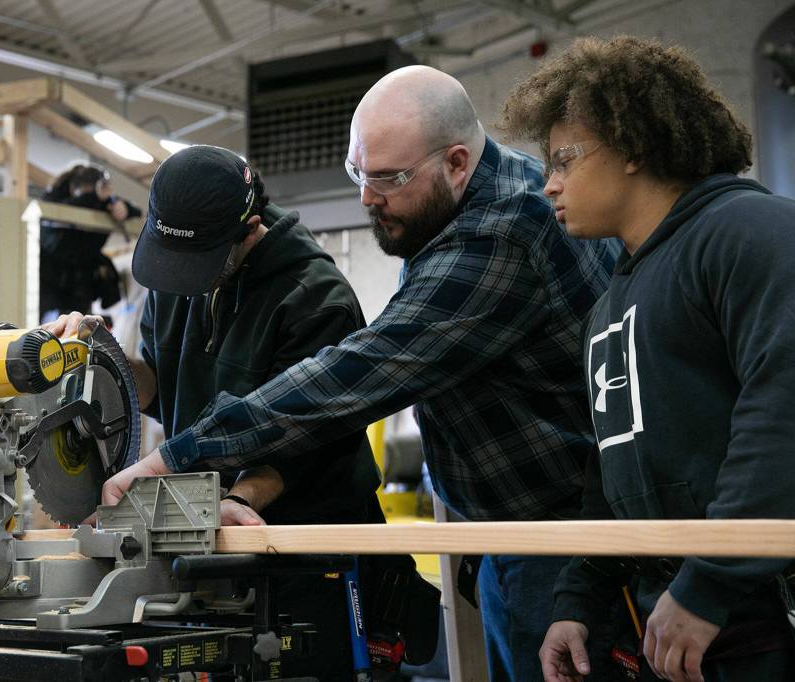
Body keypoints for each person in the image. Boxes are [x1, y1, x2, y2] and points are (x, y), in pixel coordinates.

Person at [101, 67, 617, 681]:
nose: (366, 198)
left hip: (559, 540)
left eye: (385, 179)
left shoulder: (501, 233)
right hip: (512, 533)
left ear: (456, 163)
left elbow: (355, 378)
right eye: (357, 173)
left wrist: (175, 459)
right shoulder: (452, 210)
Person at [47, 145, 435, 680]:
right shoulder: (180, 279)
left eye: (195, 264)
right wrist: (102, 360)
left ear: (248, 230)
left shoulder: (316, 299)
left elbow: (297, 444)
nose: (179, 278)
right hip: (206, 542)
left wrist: (233, 501)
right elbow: (159, 387)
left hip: (302, 555)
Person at [498, 35, 795, 682]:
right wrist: (577, 602)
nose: (549, 183)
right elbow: (612, 468)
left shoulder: (755, 233)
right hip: (678, 620)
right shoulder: (611, 301)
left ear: (635, 145)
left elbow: (792, 408)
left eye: (564, 159)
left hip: (772, 614)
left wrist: (710, 583)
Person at [38, 163, 142, 322]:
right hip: (51, 278)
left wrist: (124, 208)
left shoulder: (103, 202)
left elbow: (136, 211)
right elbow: (55, 211)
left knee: (77, 329)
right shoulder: (54, 199)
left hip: (80, 280)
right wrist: (95, 198)